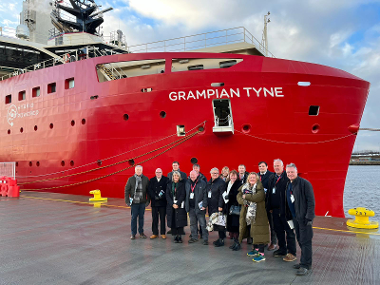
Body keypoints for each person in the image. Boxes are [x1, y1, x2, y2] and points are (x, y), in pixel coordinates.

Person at [286, 163, 315, 276]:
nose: (290, 174)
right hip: (295, 218)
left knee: (306, 241)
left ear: (296, 172)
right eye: (288, 172)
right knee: (300, 240)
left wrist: (309, 217)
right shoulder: (290, 184)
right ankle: (303, 261)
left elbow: (311, 202)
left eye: (292, 172)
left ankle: (306, 265)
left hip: (304, 219)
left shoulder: (305, 184)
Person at [267, 159, 297, 262]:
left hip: (286, 211)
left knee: (289, 232)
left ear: (283, 166)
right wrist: (269, 207)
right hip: (275, 211)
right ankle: (282, 249)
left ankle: (292, 252)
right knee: (278, 231)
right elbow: (269, 194)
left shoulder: (287, 178)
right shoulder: (272, 178)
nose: (276, 167)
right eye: (275, 166)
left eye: (278, 166)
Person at [235, 172, 269, 263]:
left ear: (257, 179)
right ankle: (256, 249)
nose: (252, 179)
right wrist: (243, 201)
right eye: (251, 177)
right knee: (252, 231)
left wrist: (246, 196)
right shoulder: (245, 186)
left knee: (259, 232)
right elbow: (238, 196)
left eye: (254, 177)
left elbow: (258, 197)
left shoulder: (259, 187)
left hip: (258, 214)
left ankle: (261, 254)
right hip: (247, 213)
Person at [124, 165, 150, 240]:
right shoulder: (131, 179)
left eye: (140, 170)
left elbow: (148, 191)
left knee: (141, 218)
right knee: (134, 218)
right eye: (137, 170)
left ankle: (141, 232)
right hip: (134, 203)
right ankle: (133, 233)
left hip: (142, 202)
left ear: (142, 170)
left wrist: (148, 200)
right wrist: (127, 201)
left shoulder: (145, 179)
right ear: (135, 171)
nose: (139, 171)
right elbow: (127, 190)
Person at [185, 170, 208, 245]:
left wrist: (204, 205)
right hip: (191, 207)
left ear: (197, 175)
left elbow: (205, 194)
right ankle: (194, 237)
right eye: (191, 175)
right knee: (192, 224)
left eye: (193, 175)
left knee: (203, 224)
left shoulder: (202, 183)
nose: (192, 176)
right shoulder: (187, 183)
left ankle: (205, 239)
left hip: (200, 207)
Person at [258, 161, 277, 251]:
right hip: (259, 204)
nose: (261, 168)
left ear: (267, 166)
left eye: (263, 166)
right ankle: (264, 241)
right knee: (262, 224)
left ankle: (274, 242)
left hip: (268, 203)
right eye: (260, 166)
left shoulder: (271, 175)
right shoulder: (257, 175)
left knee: (272, 224)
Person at [206, 167, 226, 247]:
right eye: (213, 173)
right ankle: (220, 237)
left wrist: (220, 205)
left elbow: (222, 195)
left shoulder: (221, 183)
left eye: (216, 173)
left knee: (220, 223)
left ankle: (221, 239)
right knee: (215, 223)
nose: (214, 174)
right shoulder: (210, 182)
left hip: (217, 206)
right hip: (211, 206)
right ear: (210, 174)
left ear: (218, 174)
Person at [166, 171, 187, 243]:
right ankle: (175, 235)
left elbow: (183, 194)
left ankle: (180, 236)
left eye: (177, 176)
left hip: (180, 205)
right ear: (173, 177)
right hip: (171, 205)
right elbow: (167, 195)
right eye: (174, 176)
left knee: (180, 219)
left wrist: (178, 203)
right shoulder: (169, 185)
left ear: (179, 177)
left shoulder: (182, 184)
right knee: (173, 219)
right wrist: (172, 204)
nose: (175, 177)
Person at [148, 168, 169, 240]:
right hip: (154, 202)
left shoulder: (166, 179)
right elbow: (150, 190)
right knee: (155, 219)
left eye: (159, 172)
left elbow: (167, 190)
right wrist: (155, 196)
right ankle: (155, 233)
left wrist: (161, 197)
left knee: (162, 218)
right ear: (155, 173)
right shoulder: (152, 180)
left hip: (163, 203)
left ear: (162, 172)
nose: (158, 174)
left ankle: (163, 233)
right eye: (157, 172)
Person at [224, 170, 241, 249]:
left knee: (235, 224)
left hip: (235, 207)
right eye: (231, 175)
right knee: (231, 224)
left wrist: (229, 196)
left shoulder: (239, 184)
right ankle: (234, 242)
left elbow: (238, 195)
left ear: (237, 176)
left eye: (234, 176)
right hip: (228, 206)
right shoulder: (227, 183)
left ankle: (237, 242)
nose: (233, 177)